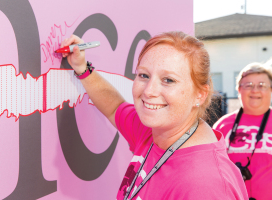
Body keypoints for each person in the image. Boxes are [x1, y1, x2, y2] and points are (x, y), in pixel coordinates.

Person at [61, 31, 248, 200]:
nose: (149, 91)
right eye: (144, 75)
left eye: (168, 80)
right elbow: (114, 107)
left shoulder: (206, 185)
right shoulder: (155, 131)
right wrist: (82, 68)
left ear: (200, 94)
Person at [213, 62, 272, 200]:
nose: (255, 90)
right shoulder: (222, 126)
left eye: (262, 85)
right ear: (239, 90)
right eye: (248, 85)